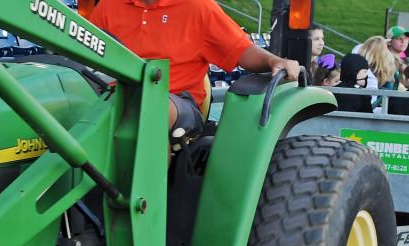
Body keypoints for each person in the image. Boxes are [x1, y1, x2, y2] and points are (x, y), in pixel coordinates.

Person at [88, 0, 300, 145]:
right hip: (113, 97)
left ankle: (150, 197)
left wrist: (273, 60)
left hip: (177, 101)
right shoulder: (109, 5)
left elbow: (240, 50)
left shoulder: (198, 7)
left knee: (149, 106)